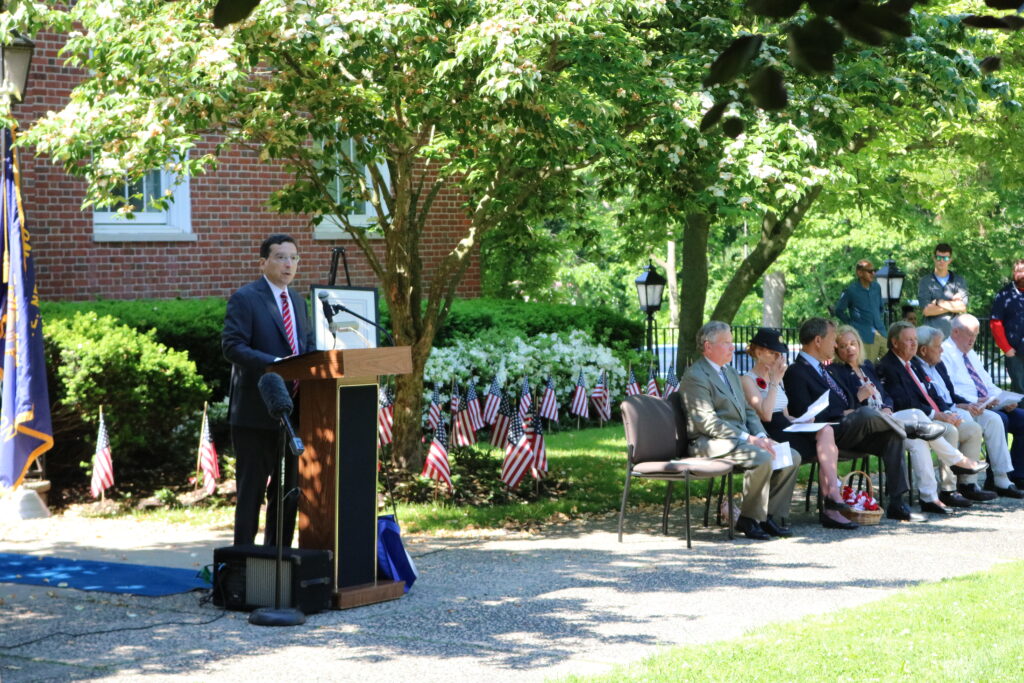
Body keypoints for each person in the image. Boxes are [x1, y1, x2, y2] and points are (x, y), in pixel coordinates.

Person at [222, 234, 314, 547]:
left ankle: (278, 565)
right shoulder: (246, 298)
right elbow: (232, 346)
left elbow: (306, 348)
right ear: (263, 262)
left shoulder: (299, 302)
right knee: (251, 494)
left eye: (294, 258)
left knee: (287, 494)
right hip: (255, 413)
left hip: (292, 416)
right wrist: (275, 364)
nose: (289, 264)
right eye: (281, 257)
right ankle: (242, 567)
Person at [783, 317, 918, 522]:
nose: (835, 345)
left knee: (892, 436)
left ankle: (897, 502)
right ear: (818, 341)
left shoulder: (824, 370)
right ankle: (908, 428)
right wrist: (843, 412)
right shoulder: (797, 371)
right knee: (867, 414)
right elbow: (804, 414)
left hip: (848, 428)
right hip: (825, 433)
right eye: (832, 340)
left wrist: (849, 410)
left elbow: (848, 402)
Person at [682, 321, 802, 540]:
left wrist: (763, 436)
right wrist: (750, 439)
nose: (731, 347)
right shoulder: (695, 376)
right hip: (709, 442)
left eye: (730, 342)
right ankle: (749, 518)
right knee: (763, 456)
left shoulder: (729, 372)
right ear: (708, 347)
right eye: (726, 343)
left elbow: (748, 411)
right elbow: (706, 422)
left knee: (791, 456)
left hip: (739, 440)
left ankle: (768, 517)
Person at [739, 328, 856, 530]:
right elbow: (766, 414)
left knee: (826, 430)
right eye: (773, 353)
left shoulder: (777, 379)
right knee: (823, 445)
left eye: (780, 354)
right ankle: (831, 501)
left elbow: (785, 415)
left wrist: (803, 420)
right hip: (768, 431)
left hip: (787, 427)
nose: (778, 359)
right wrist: (774, 381)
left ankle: (832, 496)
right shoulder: (747, 380)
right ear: (759, 353)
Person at [864, 323, 988, 514]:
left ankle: (955, 489)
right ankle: (948, 485)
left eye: (915, 339)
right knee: (937, 430)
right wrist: (936, 415)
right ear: (895, 343)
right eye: (909, 340)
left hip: (927, 418)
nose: (913, 344)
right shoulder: (888, 366)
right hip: (908, 420)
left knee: (970, 429)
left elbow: (931, 392)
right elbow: (903, 401)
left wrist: (946, 412)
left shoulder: (913, 363)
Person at [916, 325, 1022, 500]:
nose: (941, 350)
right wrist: (964, 404)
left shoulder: (943, 362)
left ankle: (999, 479)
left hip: (963, 405)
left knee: (994, 419)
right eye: (970, 334)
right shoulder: (933, 361)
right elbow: (935, 398)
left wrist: (995, 400)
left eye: (976, 335)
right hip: (948, 410)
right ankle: (954, 485)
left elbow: (956, 391)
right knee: (971, 421)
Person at [942, 314, 1024, 489]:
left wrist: (1002, 398)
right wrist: (977, 400)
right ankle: (997, 478)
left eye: (976, 335)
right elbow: (948, 389)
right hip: (968, 406)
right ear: (955, 332)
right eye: (970, 334)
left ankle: (1018, 474)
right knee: (999, 419)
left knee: (1022, 418)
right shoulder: (945, 352)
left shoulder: (969, 353)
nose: (973, 339)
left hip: (988, 404)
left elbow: (987, 383)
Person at [834, 259, 887, 361]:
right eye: (870, 271)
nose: (873, 273)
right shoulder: (851, 290)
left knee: (892, 363)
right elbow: (839, 310)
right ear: (859, 273)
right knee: (868, 366)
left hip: (881, 333)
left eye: (874, 270)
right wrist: (852, 324)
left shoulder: (877, 287)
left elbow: (881, 307)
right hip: (865, 336)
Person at [917, 243, 967, 338]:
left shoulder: (958, 281)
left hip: (954, 336)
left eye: (945, 258)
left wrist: (938, 302)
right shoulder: (925, 281)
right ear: (934, 258)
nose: (942, 261)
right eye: (939, 258)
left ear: (950, 260)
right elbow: (927, 311)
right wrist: (952, 304)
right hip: (931, 336)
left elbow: (962, 307)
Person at [989, 259, 1024, 394]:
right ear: (1013, 273)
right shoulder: (1004, 294)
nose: (1022, 274)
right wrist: (1006, 349)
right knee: (1020, 392)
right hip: (1015, 354)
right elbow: (995, 323)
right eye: (1019, 271)